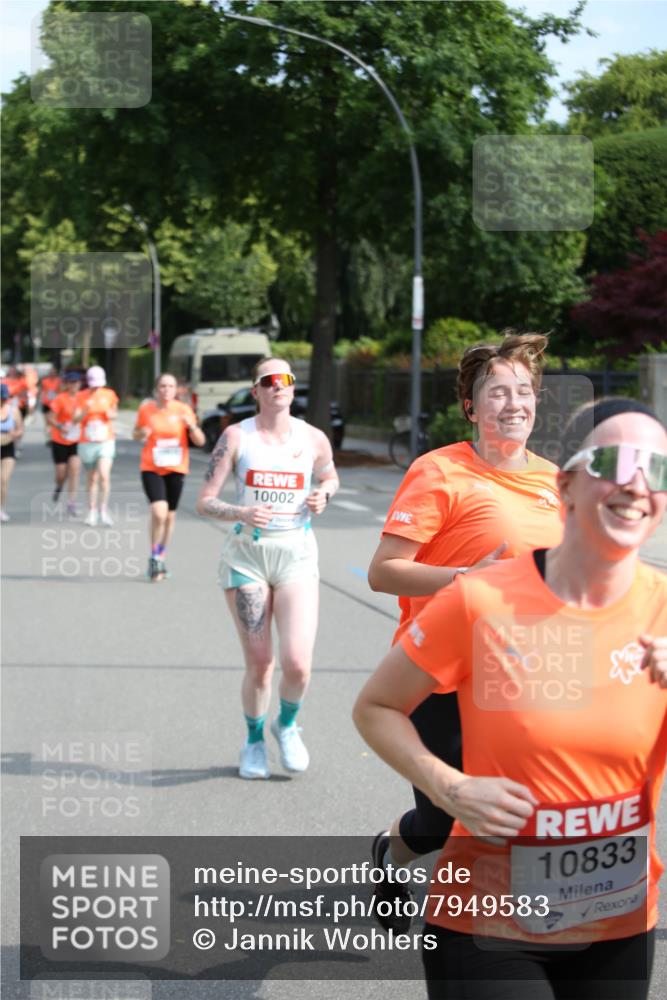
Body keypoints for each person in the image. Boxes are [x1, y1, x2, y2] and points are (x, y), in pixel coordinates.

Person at [354, 398, 667, 1000]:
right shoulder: (481, 600)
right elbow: (377, 707)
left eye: (655, 468)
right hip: (489, 922)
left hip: (619, 917)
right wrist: (450, 786)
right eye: (614, 461)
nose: (635, 482)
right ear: (568, 482)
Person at [366, 333, 563, 929]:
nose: (513, 402)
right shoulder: (440, 471)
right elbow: (383, 571)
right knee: (445, 818)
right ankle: (390, 852)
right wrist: (465, 578)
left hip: (527, 674)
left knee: (531, 805)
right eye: (497, 392)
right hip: (440, 675)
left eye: (523, 390)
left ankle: (483, 927)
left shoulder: (557, 481)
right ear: (472, 408)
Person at [197, 357, 339, 780]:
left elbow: (330, 478)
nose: (279, 386)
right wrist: (240, 511)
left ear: (293, 389)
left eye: (286, 380)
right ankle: (254, 739)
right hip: (247, 558)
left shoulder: (313, 439)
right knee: (260, 664)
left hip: (295, 555)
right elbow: (205, 500)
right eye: (269, 381)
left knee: (298, 663)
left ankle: (287, 725)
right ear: (256, 390)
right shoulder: (236, 437)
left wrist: (324, 495)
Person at [134, 373, 205, 581]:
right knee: (159, 512)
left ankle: (161, 556)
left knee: (170, 516)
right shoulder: (147, 410)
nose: (166, 390)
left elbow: (200, 441)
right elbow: (135, 434)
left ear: (176, 390)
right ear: (157, 389)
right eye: (163, 386)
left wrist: (191, 426)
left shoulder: (183, 410)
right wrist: (142, 434)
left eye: (170, 386)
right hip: (151, 466)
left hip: (176, 468)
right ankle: (154, 556)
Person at [72, 365, 119, 527]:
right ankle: (92, 510)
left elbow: (115, 413)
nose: (97, 387)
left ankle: (103, 509)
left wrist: (108, 413)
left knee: (104, 475)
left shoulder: (109, 394)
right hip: (87, 441)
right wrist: (86, 409)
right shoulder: (81, 396)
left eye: (99, 383)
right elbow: (75, 419)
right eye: (94, 383)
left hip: (105, 440)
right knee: (92, 478)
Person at [46, 370, 82, 514]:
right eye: (71, 382)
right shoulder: (60, 399)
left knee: (74, 469)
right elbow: (51, 418)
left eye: (76, 382)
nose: (74, 385)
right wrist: (61, 427)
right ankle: (59, 486)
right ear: (66, 384)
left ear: (80, 384)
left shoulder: (83, 398)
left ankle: (71, 501)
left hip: (77, 439)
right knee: (61, 473)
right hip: (60, 439)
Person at [0, 382, 24, 521]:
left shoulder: (13, 411)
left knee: (3, 480)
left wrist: (15, 434)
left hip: (8, 448)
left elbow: (20, 429)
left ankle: (1, 509)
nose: (3, 401)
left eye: (5, 398)